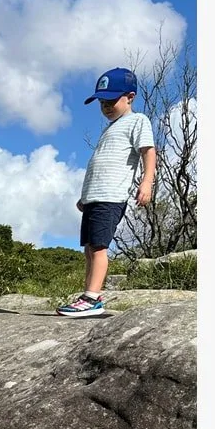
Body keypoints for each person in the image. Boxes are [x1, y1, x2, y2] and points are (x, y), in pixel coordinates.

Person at [59, 67, 158, 317]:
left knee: (100, 246)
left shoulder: (138, 121)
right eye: (102, 102)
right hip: (95, 197)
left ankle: (91, 298)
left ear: (130, 97)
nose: (106, 107)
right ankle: (89, 293)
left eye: (111, 100)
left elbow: (148, 151)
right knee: (89, 248)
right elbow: (101, 164)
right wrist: (85, 196)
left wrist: (147, 182)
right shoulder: (110, 129)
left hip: (111, 196)